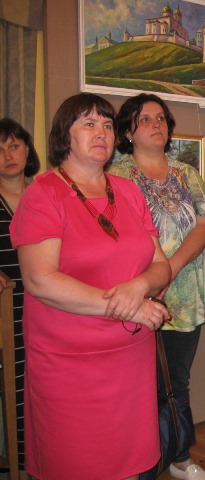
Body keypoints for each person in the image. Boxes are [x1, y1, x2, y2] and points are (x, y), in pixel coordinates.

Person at [9, 93, 172, 480]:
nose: (101, 132)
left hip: (130, 361)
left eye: (107, 125)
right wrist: (131, 305)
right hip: (70, 366)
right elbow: (40, 279)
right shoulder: (43, 194)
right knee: (75, 466)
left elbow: (160, 265)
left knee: (129, 467)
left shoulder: (128, 191)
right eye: (88, 124)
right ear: (64, 135)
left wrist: (140, 285)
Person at [110, 93, 205, 480]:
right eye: (145, 119)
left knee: (176, 381)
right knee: (140, 385)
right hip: (139, 297)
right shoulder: (116, 176)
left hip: (183, 296)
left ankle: (179, 456)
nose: (156, 124)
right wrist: (153, 278)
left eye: (161, 118)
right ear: (128, 131)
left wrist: (168, 270)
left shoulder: (186, 173)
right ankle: (141, 462)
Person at [0, 118, 40, 478]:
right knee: (14, 397)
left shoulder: (45, 193)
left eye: (13, 146)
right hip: (6, 315)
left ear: (27, 149)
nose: (7, 155)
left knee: (42, 393)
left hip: (47, 309)